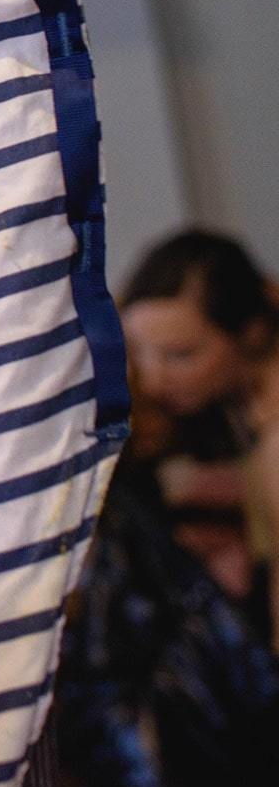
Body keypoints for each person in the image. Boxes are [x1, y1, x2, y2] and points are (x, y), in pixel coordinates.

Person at [119, 229, 279, 636]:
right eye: (140, 352)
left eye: (182, 355)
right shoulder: (232, 420)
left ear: (252, 333)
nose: (153, 381)